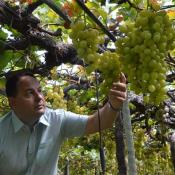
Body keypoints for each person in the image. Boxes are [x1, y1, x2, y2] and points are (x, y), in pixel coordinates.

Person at [0, 71, 126, 175]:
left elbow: (98, 122)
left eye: (40, 90)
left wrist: (113, 105)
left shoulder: (57, 119)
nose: (39, 97)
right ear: (13, 103)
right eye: (30, 93)